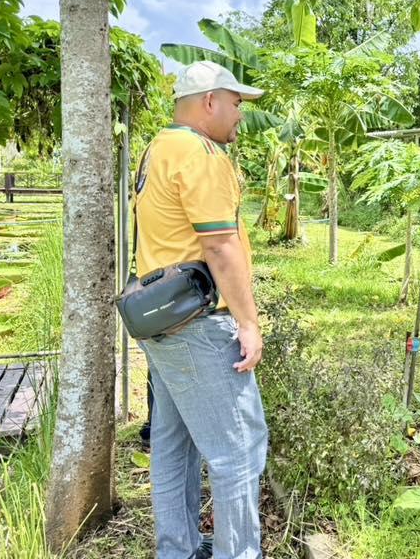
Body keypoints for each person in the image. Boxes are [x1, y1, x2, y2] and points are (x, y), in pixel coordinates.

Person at [134, 60, 268, 559]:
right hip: (198, 325)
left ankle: (179, 548)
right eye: (236, 104)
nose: (241, 116)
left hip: (162, 321)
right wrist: (248, 323)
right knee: (240, 448)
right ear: (210, 100)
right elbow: (221, 247)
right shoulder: (202, 154)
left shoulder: (159, 148)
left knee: (173, 445)